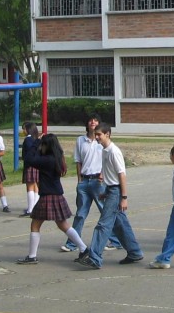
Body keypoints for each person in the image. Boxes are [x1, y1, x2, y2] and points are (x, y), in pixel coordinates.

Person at [77, 123, 144, 269]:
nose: (96, 137)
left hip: (116, 191)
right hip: (111, 190)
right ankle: (134, 252)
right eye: (96, 135)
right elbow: (110, 174)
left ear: (108, 134)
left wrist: (124, 197)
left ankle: (94, 258)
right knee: (120, 224)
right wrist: (105, 191)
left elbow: (122, 175)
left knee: (103, 224)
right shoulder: (104, 150)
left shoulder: (114, 151)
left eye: (99, 134)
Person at [17, 133, 88, 264]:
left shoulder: (46, 160)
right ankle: (83, 249)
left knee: (35, 224)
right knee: (63, 224)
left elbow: (28, 159)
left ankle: (32, 256)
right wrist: (39, 142)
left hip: (47, 196)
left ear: (46, 146)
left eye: (43, 145)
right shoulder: (56, 157)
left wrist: (35, 142)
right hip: (56, 195)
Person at [60, 113, 122, 252]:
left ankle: (115, 240)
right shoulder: (81, 140)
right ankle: (73, 243)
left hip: (98, 181)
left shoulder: (102, 142)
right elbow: (78, 161)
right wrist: (79, 179)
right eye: (90, 120)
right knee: (80, 213)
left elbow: (108, 161)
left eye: (96, 120)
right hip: (84, 180)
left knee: (105, 212)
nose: (93, 122)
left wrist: (103, 174)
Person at [19, 122, 40, 217]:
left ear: (28, 129)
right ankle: (35, 207)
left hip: (30, 165)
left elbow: (28, 153)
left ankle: (30, 209)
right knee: (35, 186)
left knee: (30, 187)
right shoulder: (36, 138)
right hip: (36, 164)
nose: (22, 131)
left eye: (24, 129)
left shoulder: (27, 140)